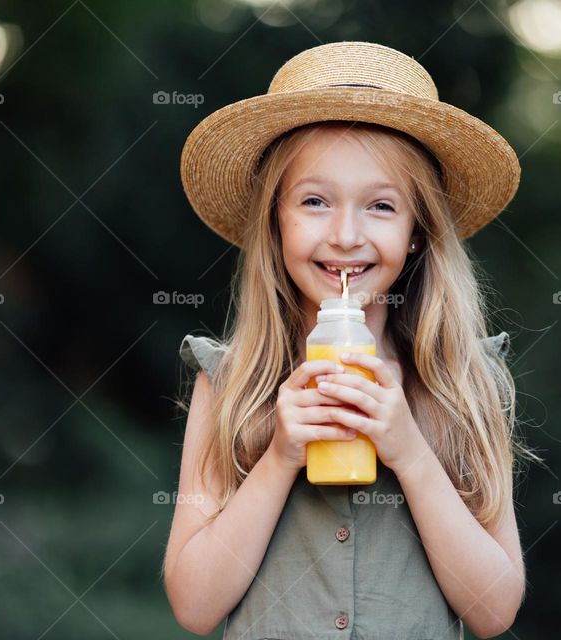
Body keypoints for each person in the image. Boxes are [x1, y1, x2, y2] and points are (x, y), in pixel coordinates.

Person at [163, 41, 541, 639]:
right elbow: (194, 605)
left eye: (381, 206)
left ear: (418, 231)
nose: (345, 235)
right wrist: (281, 454)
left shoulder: (467, 383)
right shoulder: (230, 383)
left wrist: (409, 450)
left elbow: (493, 612)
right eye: (314, 201)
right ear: (274, 219)